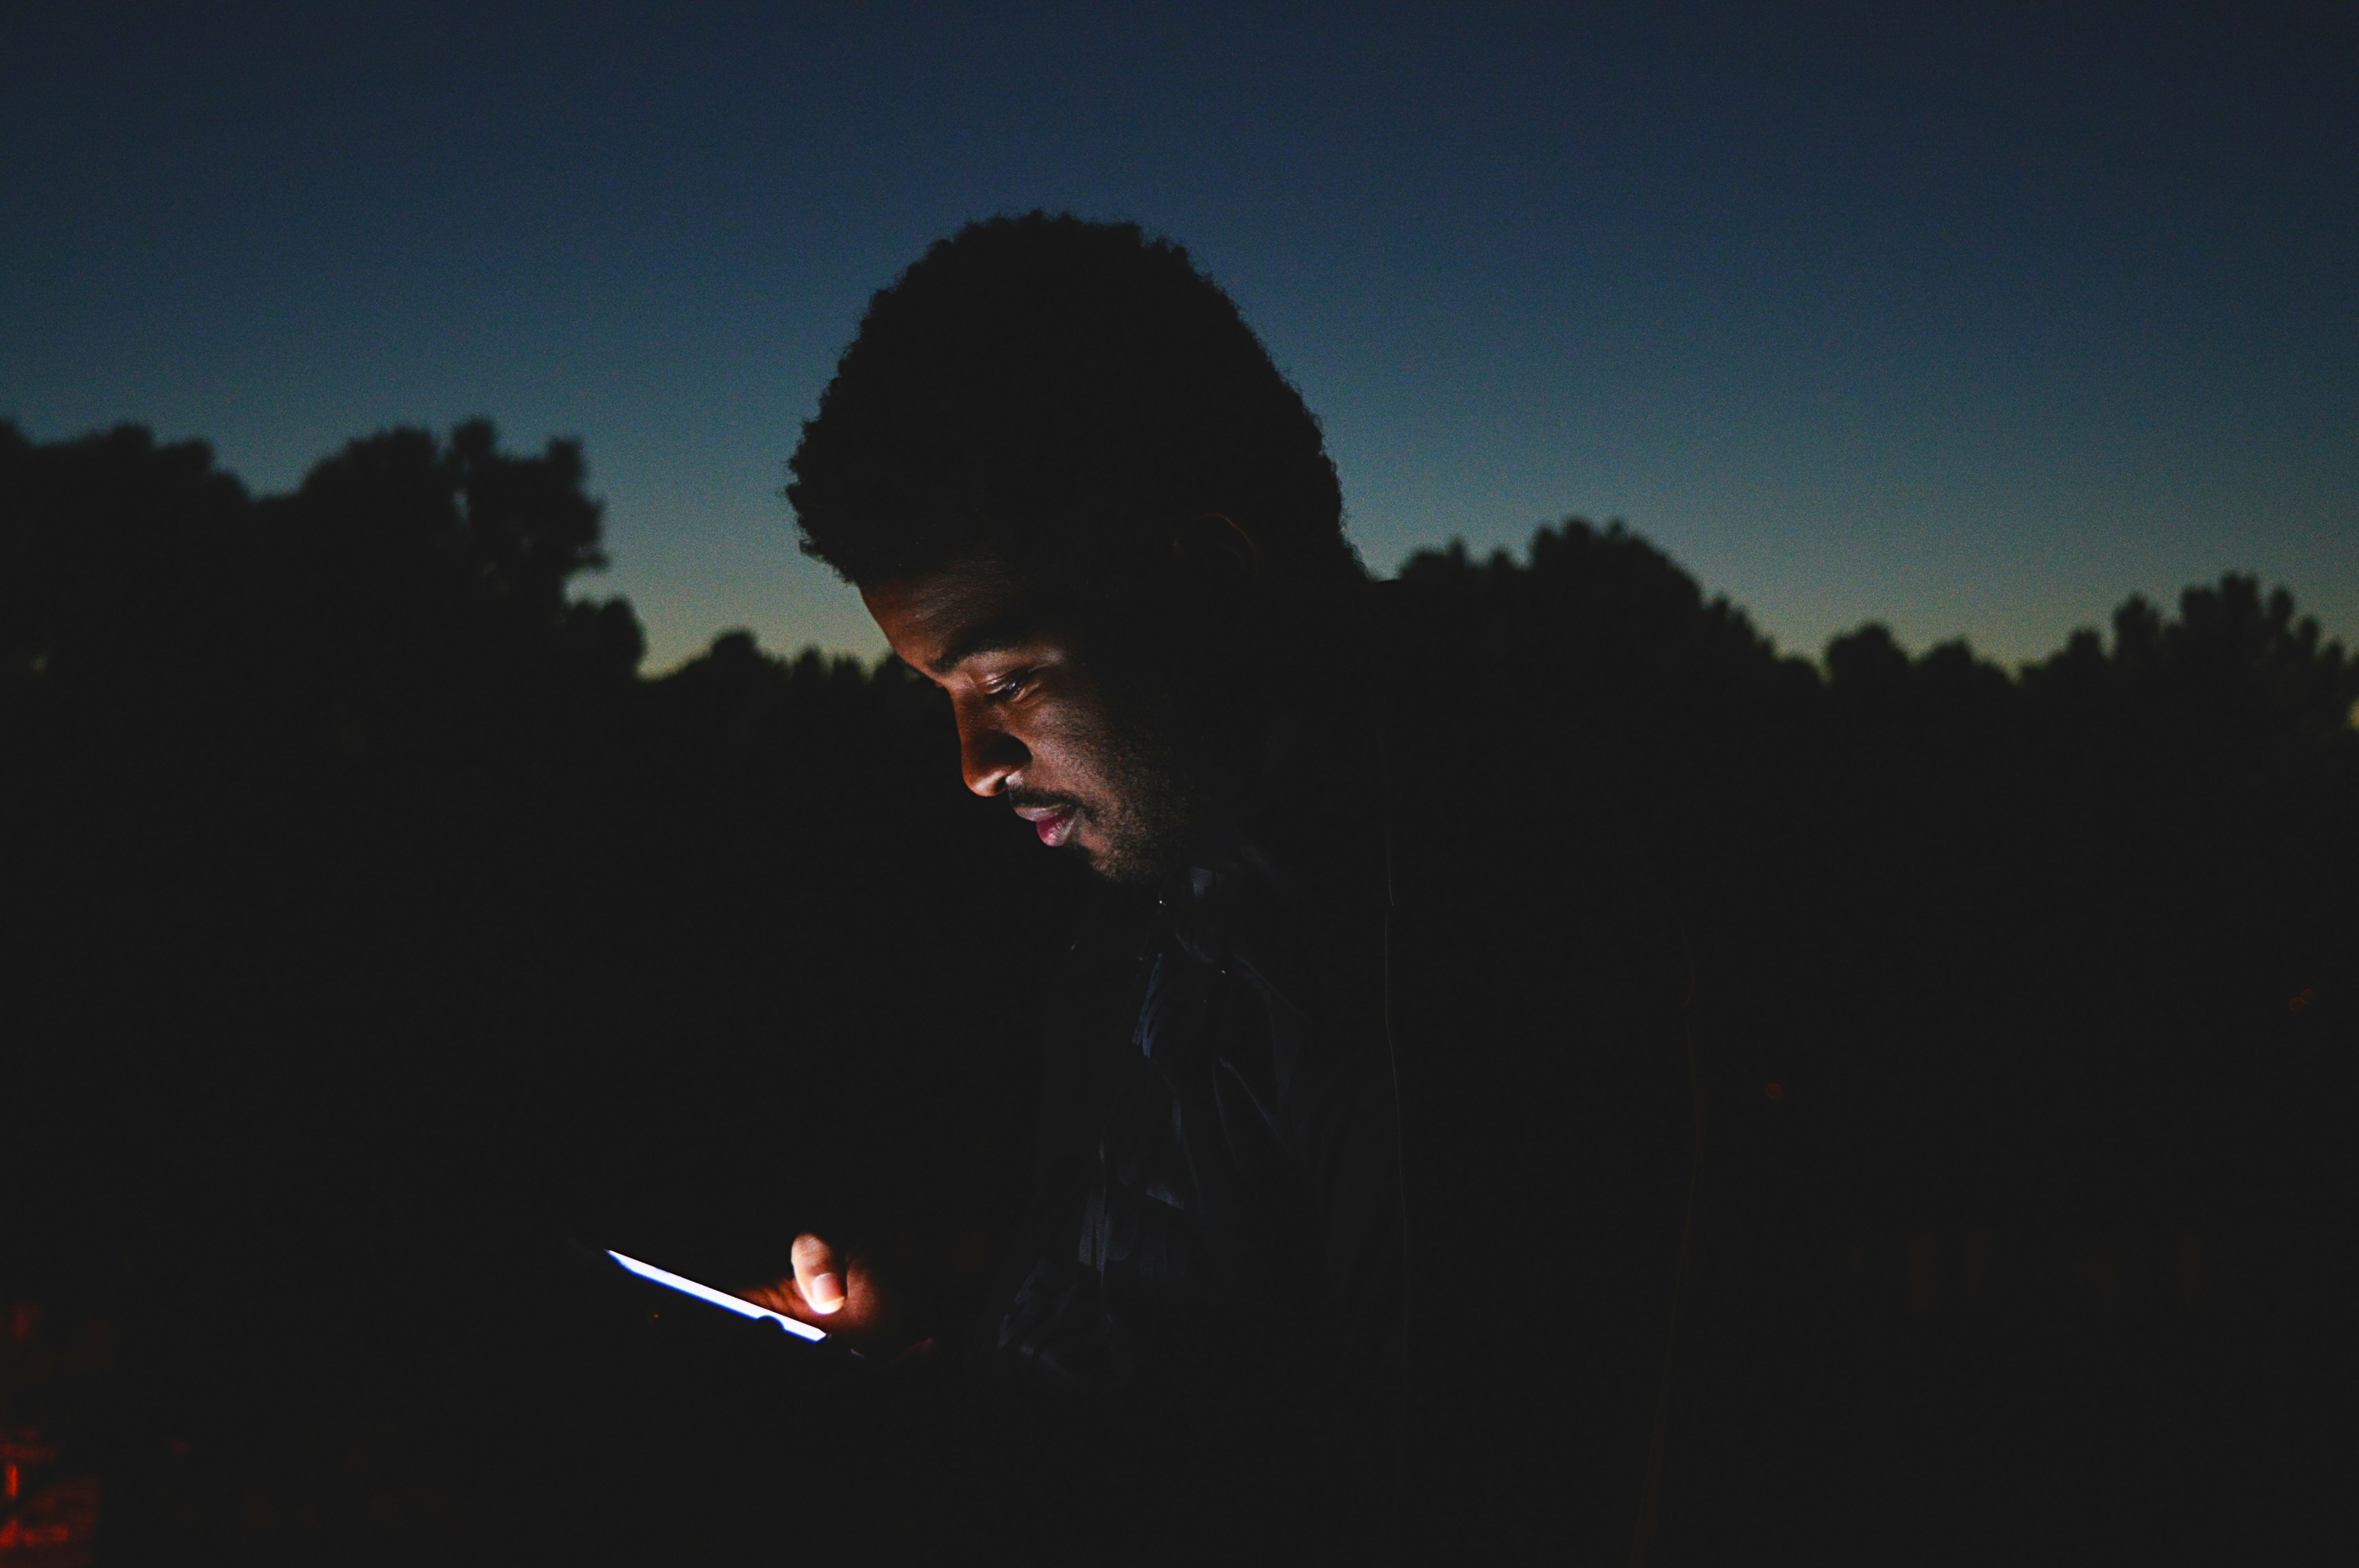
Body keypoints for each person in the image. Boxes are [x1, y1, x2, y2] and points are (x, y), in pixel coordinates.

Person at [736, 212, 1414, 1560]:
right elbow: (1143, 1402)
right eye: (944, 697)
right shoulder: (1153, 906)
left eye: (1007, 681)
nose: (978, 767)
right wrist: (906, 1378)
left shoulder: (1427, 951)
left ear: (1211, 581)